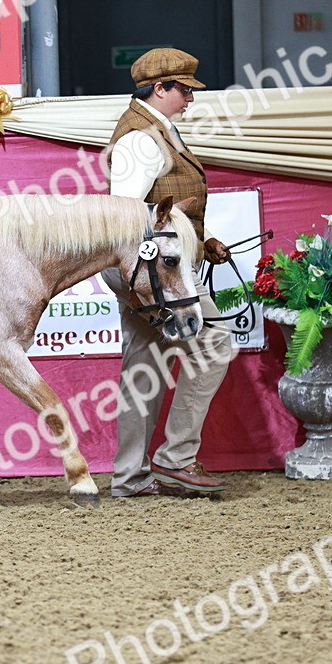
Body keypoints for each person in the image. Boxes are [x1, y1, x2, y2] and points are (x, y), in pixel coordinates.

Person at [102, 47, 233, 498]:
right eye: (185, 90)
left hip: (155, 267)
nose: (191, 98)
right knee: (214, 344)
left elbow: (162, 208)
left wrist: (204, 238)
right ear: (160, 89)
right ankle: (175, 459)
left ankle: (130, 477)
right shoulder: (141, 139)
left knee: (144, 368)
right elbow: (128, 217)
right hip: (154, 272)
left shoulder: (156, 131)